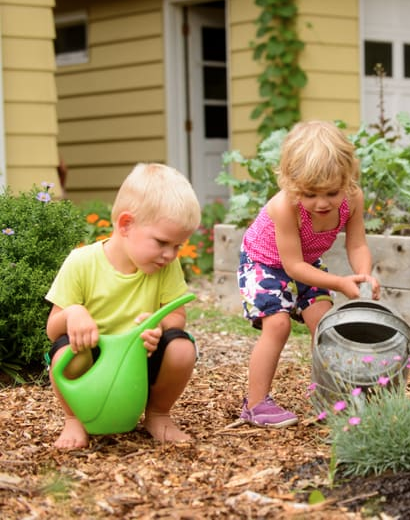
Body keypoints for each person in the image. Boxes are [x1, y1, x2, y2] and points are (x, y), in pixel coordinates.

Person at [45, 163, 202, 450]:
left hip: (141, 357)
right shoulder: (82, 263)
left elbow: (177, 317)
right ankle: (74, 418)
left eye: (178, 246)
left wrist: (159, 323)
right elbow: (52, 329)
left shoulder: (165, 266)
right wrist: (74, 313)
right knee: (67, 352)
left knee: (182, 347)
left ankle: (158, 414)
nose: (170, 255)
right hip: (92, 359)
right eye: (162, 242)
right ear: (126, 224)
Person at [237, 120, 380, 427]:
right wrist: (340, 283)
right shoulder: (284, 206)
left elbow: (357, 245)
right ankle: (256, 404)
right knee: (277, 325)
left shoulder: (352, 199)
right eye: (311, 194)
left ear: (347, 178)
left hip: (306, 262)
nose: (322, 203)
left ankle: (332, 396)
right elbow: (292, 267)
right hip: (263, 263)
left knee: (326, 325)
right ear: (291, 184)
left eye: (331, 192)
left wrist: (364, 275)